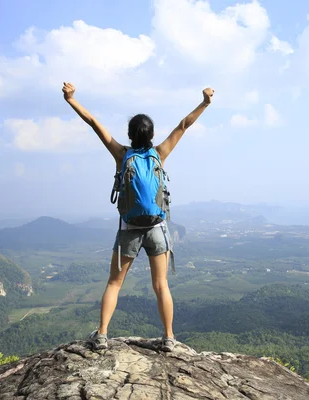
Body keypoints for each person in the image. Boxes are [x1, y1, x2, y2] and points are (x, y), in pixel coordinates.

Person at [62, 82, 214, 351]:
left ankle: (101, 335)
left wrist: (71, 99)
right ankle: (168, 337)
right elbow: (183, 126)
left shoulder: (122, 155)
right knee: (161, 285)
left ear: (130, 135)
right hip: (157, 228)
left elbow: (94, 123)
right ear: (152, 134)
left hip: (129, 228)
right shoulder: (160, 153)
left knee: (114, 282)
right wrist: (204, 103)